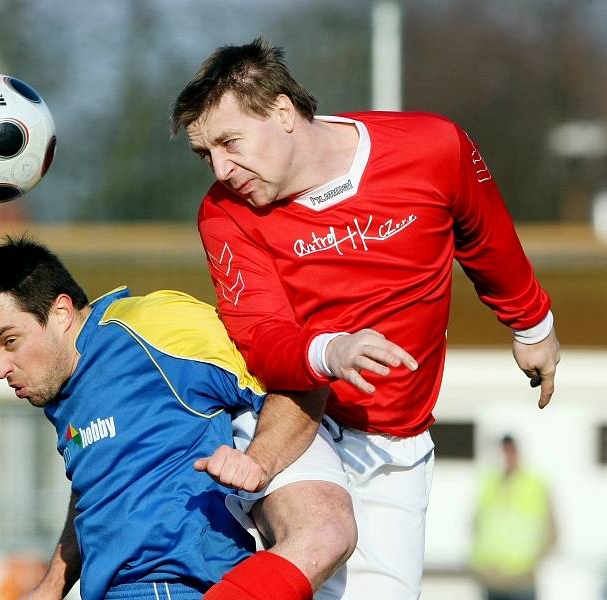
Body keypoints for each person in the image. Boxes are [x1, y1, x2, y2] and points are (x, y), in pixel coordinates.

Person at [171, 37, 561, 599]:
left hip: (398, 440)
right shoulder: (224, 214)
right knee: (321, 534)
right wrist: (333, 352)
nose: (222, 169)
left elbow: (484, 234)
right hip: (295, 417)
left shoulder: (433, 146)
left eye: (229, 142)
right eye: (206, 154)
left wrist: (532, 325)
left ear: (283, 112)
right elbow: (262, 337)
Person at [0, 236, 356, 600]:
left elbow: (297, 379)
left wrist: (261, 459)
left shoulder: (154, 326)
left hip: (178, 586)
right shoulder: (62, 392)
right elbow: (95, 492)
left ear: (60, 313)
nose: (0, 368)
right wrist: (52, 585)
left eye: (10, 341)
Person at [470, 435, 557, 600]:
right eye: (503, 452)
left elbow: (553, 532)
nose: (507, 457)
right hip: (492, 579)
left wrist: (534, 562)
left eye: (510, 451)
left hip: (522, 580)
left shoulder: (535, 485)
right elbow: (476, 524)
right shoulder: (489, 483)